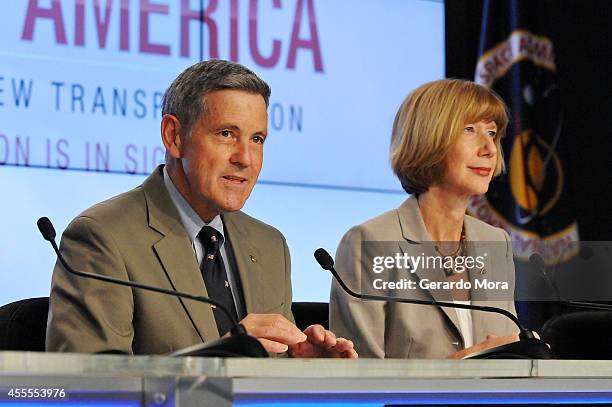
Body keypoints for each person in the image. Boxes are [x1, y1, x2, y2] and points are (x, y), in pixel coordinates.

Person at [46, 59, 356, 358]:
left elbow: (266, 375)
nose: (245, 158)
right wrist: (218, 355)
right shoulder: (103, 237)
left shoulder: (269, 245)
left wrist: (302, 367)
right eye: (226, 134)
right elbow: (89, 387)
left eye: (257, 139)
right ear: (174, 136)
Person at [329, 79, 518, 359]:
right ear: (429, 138)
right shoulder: (369, 242)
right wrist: (462, 366)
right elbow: (360, 377)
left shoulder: (496, 242)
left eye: (492, 133)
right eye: (470, 130)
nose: (489, 148)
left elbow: (503, 353)